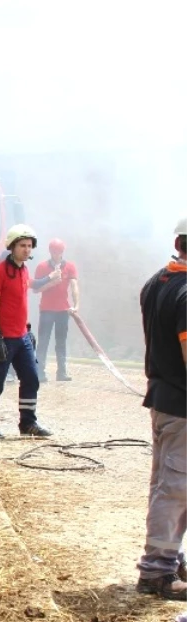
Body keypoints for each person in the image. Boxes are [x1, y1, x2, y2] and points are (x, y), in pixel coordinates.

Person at [135, 218, 187, 600]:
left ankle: (169, 557)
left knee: (169, 484)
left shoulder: (157, 282)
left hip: (163, 398)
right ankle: (157, 571)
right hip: (182, 404)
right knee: (176, 487)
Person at [0, 225, 52, 439]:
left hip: (21, 336)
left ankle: (28, 422)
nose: (27, 250)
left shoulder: (24, 270)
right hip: (3, 337)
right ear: (12, 247)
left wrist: (26, 328)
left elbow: (20, 302)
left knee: (31, 379)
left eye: (29, 246)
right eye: (22, 246)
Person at [32, 237, 79, 383]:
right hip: (46, 309)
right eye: (54, 251)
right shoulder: (42, 267)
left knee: (61, 342)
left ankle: (62, 372)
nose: (56, 254)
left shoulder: (70, 267)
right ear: (50, 252)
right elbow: (35, 289)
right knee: (43, 341)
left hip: (63, 310)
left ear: (62, 252)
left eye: (58, 252)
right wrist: (51, 283)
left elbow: (74, 286)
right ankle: (40, 372)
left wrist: (76, 305)